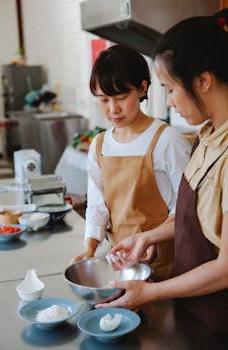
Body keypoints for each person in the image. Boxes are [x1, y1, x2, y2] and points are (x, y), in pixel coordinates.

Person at [96, 8, 228, 342]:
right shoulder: (207, 138)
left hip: (220, 319)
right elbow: (193, 220)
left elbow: (225, 268)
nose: (168, 102)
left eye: (169, 88)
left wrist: (150, 293)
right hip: (193, 307)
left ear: (202, 80)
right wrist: (147, 237)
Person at [70, 44, 191, 281]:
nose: (113, 109)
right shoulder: (100, 144)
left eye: (121, 98)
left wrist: (153, 238)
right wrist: (90, 247)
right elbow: (97, 205)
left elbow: (187, 207)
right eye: (103, 100)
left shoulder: (167, 139)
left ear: (142, 88)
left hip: (165, 261)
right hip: (120, 260)